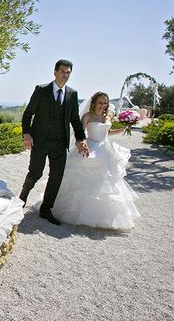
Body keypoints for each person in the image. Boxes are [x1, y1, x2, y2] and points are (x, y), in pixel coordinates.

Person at [51, 92, 140, 230]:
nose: (103, 105)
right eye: (100, 102)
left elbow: (107, 132)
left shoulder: (108, 115)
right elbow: (80, 133)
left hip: (106, 148)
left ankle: (104, 217)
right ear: (94, 102)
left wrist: (123, 129)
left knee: (108, 181)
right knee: (86, 178)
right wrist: (83, 144)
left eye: (105, 103)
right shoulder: (88, 116)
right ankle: (80, 213)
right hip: (91, 147)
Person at [20, 59, 89, 225]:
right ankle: (21, 200)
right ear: (55, 72)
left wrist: (81, 139)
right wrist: (27, 134)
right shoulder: (41, 90)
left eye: (68, 73)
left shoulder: (72, 94)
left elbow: (74, 119)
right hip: (40, 141)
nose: (65, 75)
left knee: (56, 176)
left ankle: (46, 209)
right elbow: (28, 114)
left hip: (60, 142)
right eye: (63, 71)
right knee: (35, 173)